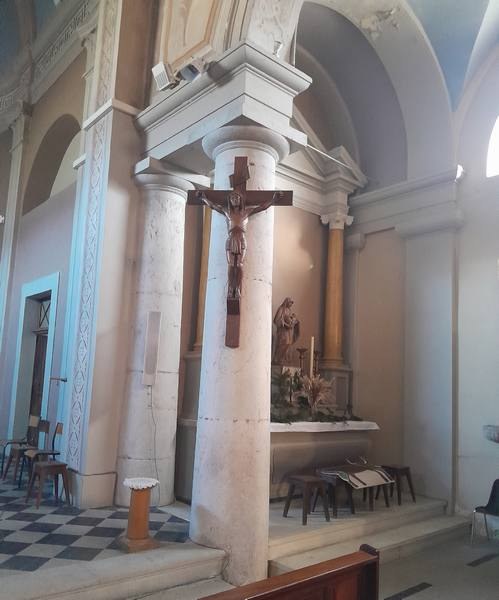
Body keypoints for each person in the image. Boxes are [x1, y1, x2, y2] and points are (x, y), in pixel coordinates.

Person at [273, 297, 300, 365]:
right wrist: (283, 323)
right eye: (290, 302)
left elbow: (291, 320)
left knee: (288, 344)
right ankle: (278, 359)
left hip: (289, 332)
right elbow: (276, 320)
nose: (291, 304)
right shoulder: (281, 309)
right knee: (283, 343)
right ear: (287, 302)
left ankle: (285, 359)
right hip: (282, 331)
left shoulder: (289, 310)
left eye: (292, 303)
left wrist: (294, 322)